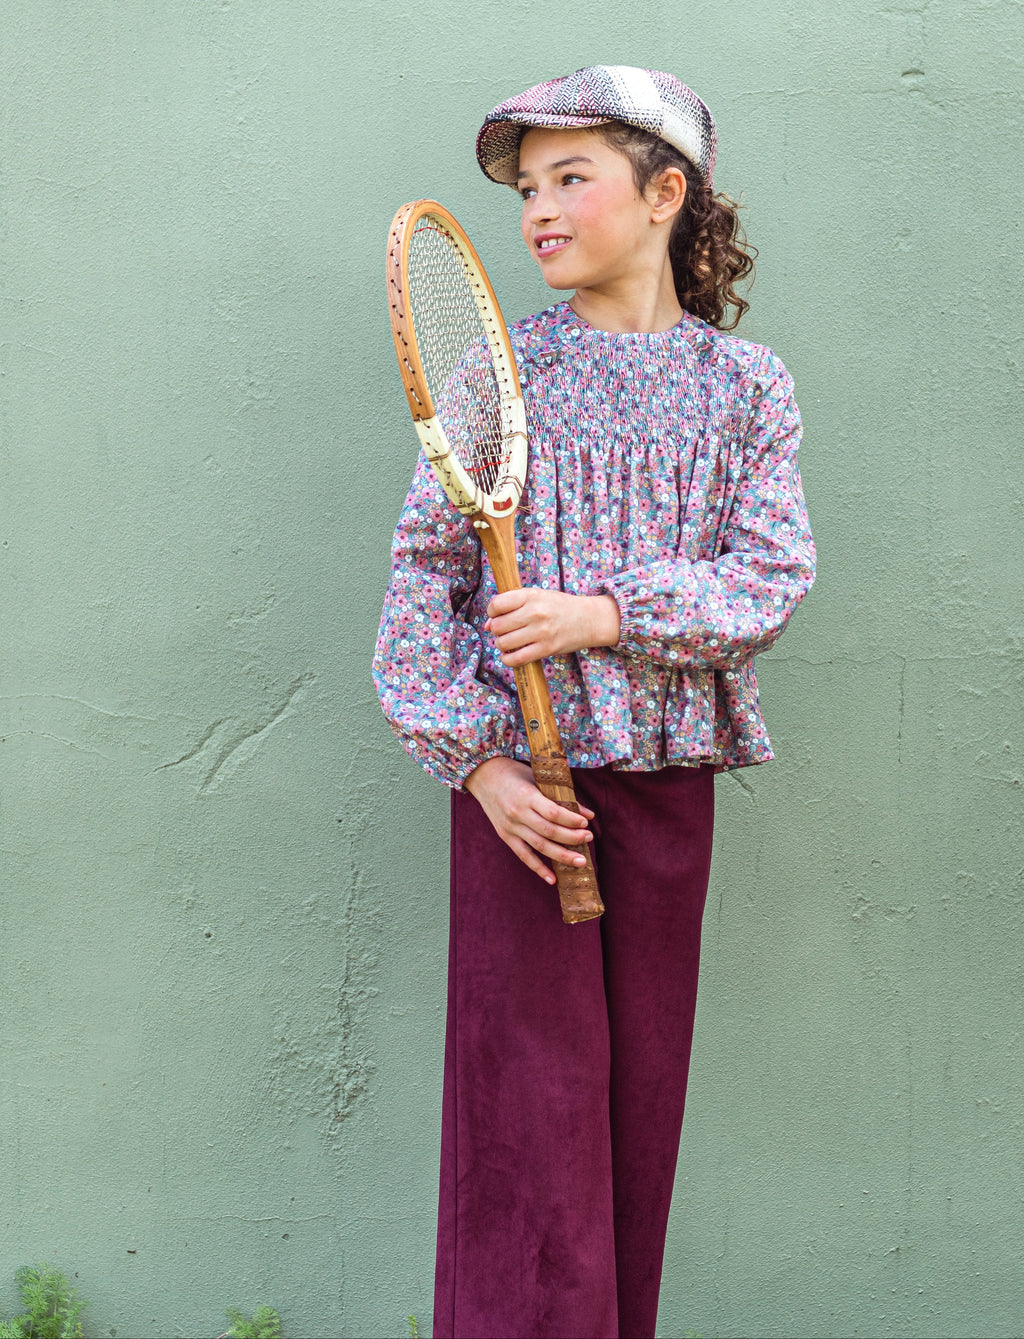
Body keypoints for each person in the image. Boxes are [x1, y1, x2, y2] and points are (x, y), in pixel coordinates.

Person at [373, 64, 816, 1339]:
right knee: (526, 1129)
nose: (538, 211)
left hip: (666, 797)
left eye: (571, 178)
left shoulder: (746, 388)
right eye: (527, 188)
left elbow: (769, 577)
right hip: (525, 809)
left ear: (664, 193)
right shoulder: (499, 376)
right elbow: (420, 587)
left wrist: (600, 614)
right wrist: (480, 768)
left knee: (632, 1126)